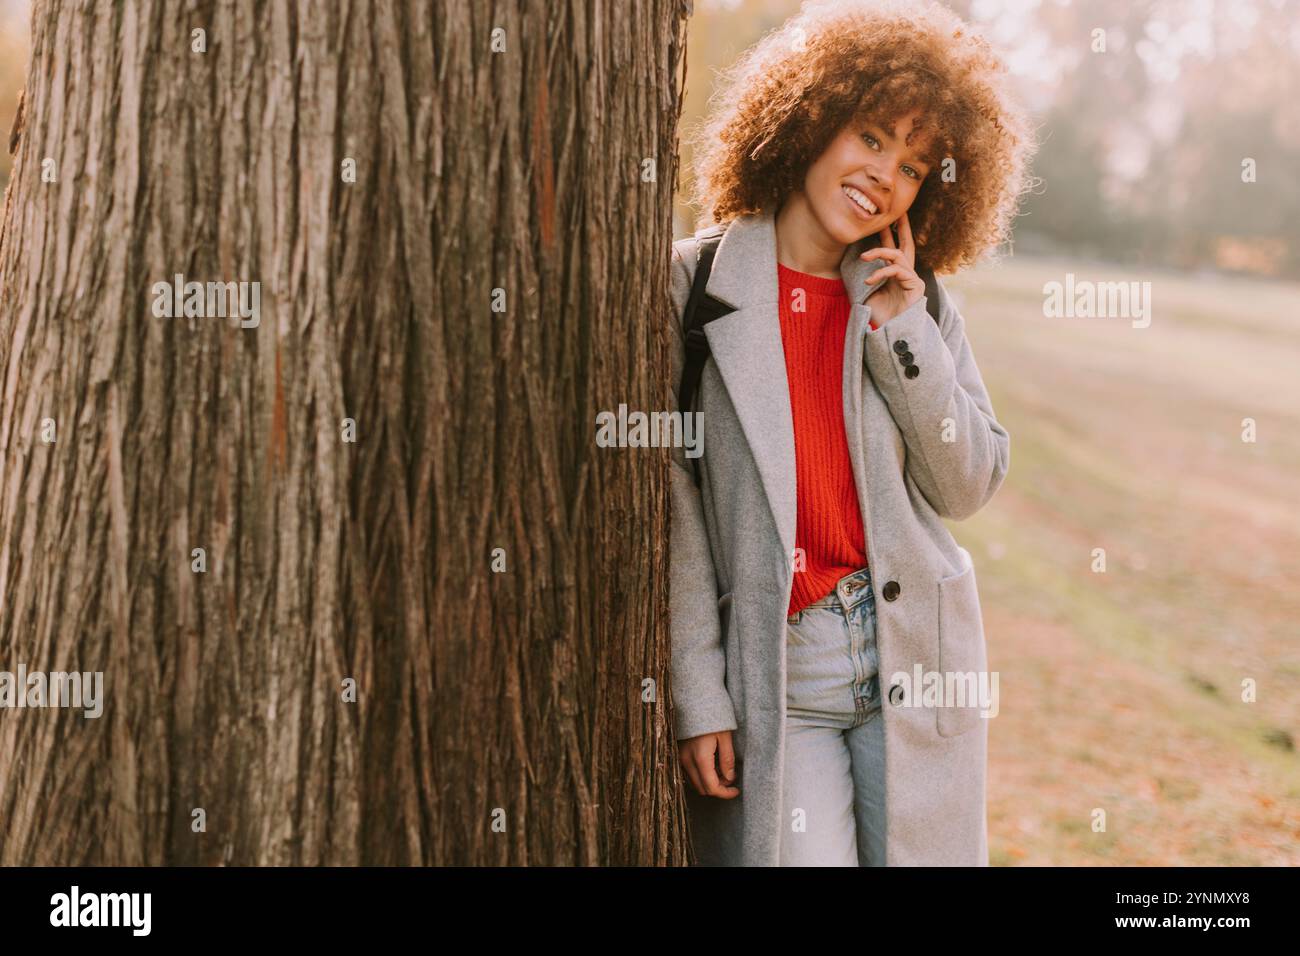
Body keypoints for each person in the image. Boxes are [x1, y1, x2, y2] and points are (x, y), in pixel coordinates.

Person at [668, 0, 1034, 866]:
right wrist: (698, 693)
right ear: (810, 120)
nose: (884, 176)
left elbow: (969, 483)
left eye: (912, 167)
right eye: (871, 138)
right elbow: (670, 504)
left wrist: (900, 333)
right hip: (781, 669)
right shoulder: (692, 288)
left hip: (916, 655)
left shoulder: (917, 298)